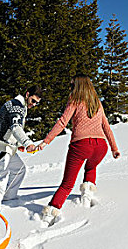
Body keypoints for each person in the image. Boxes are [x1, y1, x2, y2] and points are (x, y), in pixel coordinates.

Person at [37, 74, 120, 224]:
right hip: (101, 146)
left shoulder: (75, 100)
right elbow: (106, 126)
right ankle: (86, 198)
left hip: (81, 145)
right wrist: (114, 148)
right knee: (91, 167)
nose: (70, 88)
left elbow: (62, 122)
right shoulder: (97, 103)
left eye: (72, 85)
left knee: (67, 184)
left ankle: (50, 214)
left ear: (78, 86)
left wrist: (46, 141)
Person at [0, 85, 42, 210]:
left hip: (4, 147)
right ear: (27, 95)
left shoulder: (16, 105)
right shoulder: (17, 106)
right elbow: (15, 127)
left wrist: (17, 145)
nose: (33, 105)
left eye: (37, 103)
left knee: (19, 169)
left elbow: (8, 127)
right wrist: (27, 143)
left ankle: (8, 198)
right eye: (33, 101)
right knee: (0, 180)